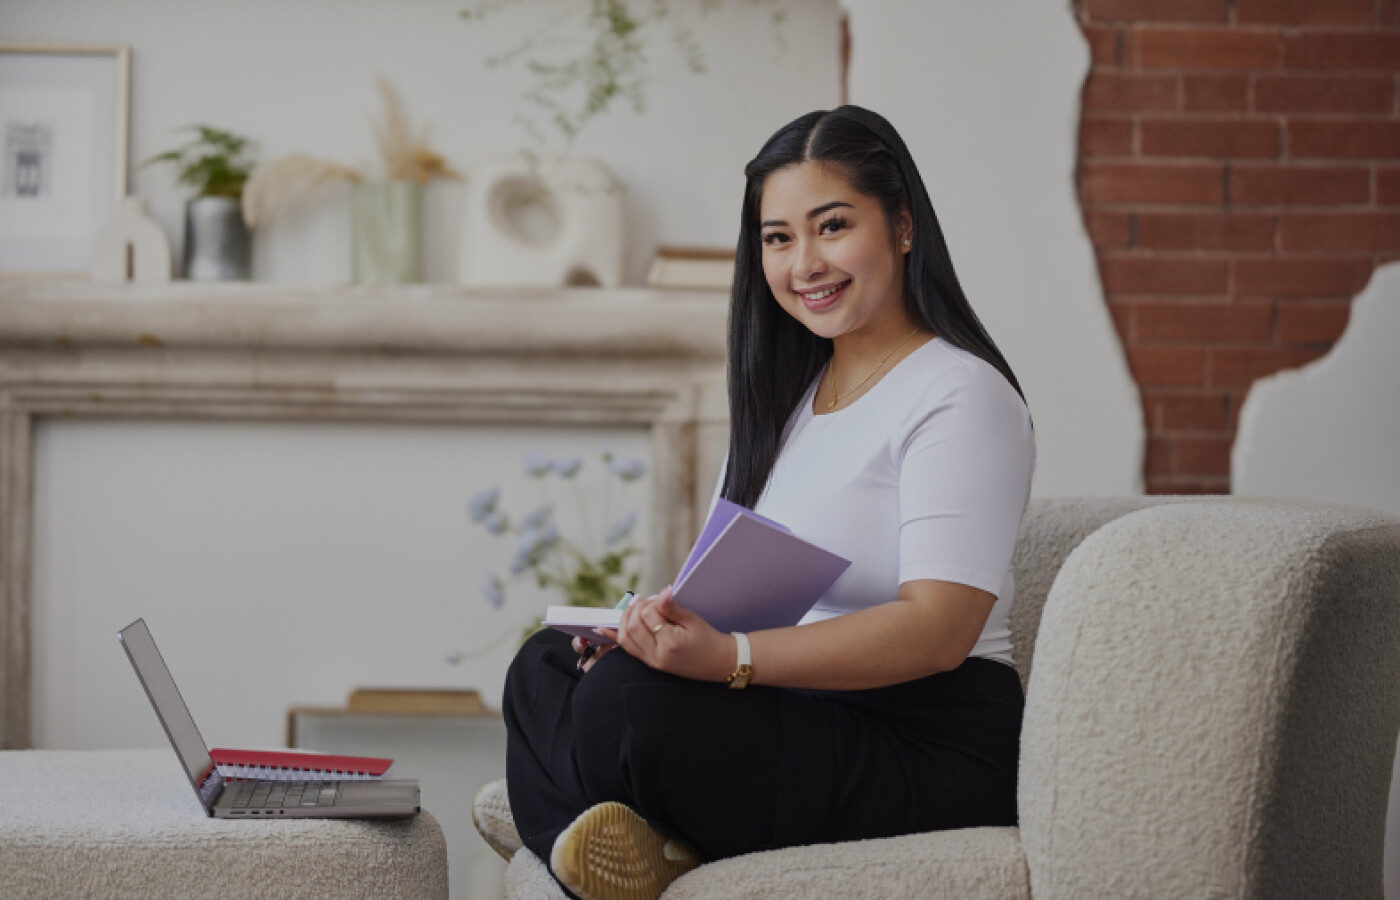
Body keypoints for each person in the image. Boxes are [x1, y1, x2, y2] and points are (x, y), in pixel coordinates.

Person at [496, 104, 1036, 900]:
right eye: (778, 238)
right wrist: (650, 630)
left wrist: (729, 660)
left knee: (623, 709)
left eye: (832, 225)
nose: (804, 262)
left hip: (929, 737)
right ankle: (631, 847)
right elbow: (726, 589)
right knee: (546, 666)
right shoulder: (785, 401)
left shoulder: (961, 394)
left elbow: (939, 630)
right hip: (798, 708)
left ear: (903, 226)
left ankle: (600, 837)